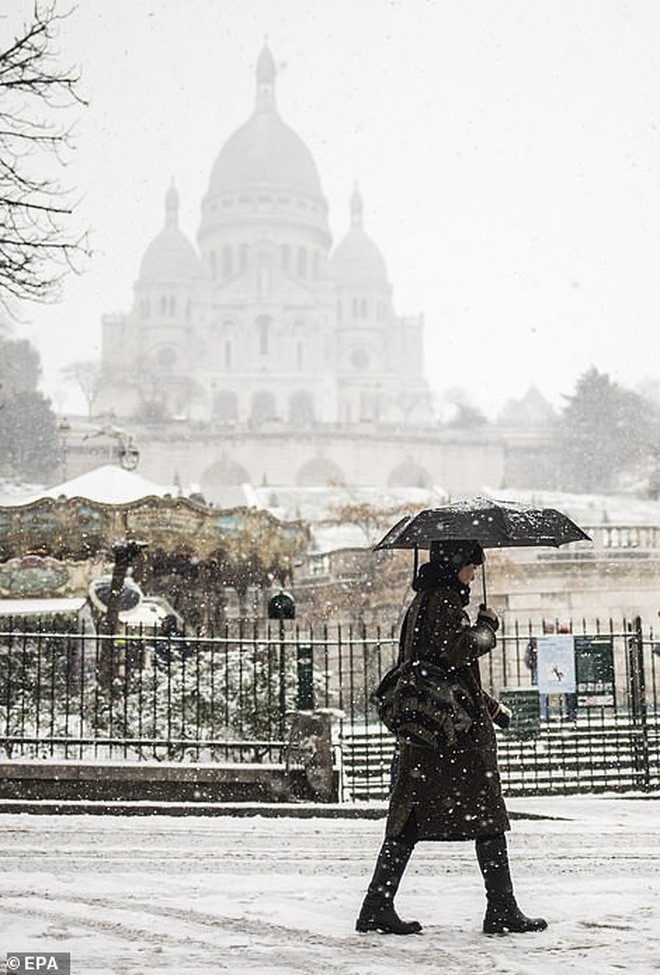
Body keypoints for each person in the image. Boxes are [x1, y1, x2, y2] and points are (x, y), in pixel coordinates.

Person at [356, 540, 547, 936]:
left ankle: (378, 903)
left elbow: (439, 672)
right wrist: (486, 629)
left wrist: (490, 707)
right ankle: (501, 908)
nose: (474, 574)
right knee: (486, 817)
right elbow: (456, 652)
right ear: (454, 563)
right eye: (470, 566)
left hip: (432, 739)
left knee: (410, 822)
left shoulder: (423, 603)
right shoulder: (442, 602)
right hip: (454, 741)